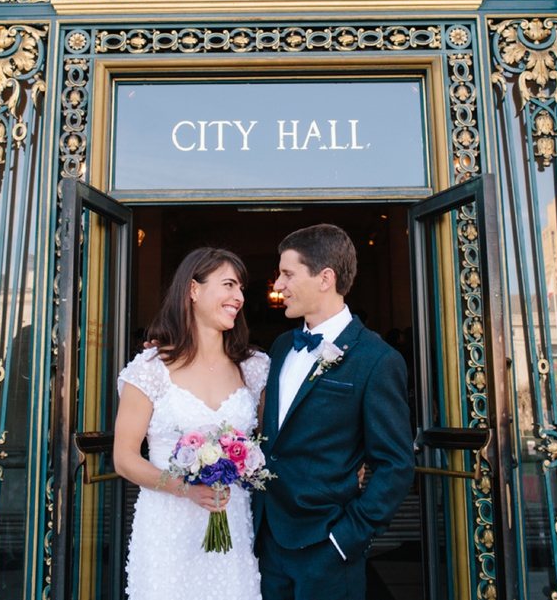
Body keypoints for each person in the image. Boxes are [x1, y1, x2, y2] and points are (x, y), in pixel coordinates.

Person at [254, 224, 415, 600]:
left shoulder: (377, 359)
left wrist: (347, 538)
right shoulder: (281, 347)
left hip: (326, 546)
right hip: (267, 541)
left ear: (325, 278)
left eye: (288, 274)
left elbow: (395, 464)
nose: (278, 285)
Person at [114, 247, 270, 600]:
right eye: (229, 285)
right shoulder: (150, 369)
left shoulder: (254, 367)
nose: (239, 297)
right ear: (193, 290)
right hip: (168, 528)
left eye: (242, 288)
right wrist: (186, 488)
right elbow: (124, 458)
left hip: (231, 521)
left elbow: (282, 437)